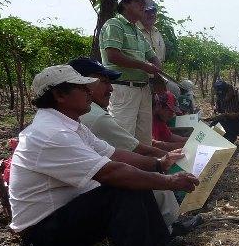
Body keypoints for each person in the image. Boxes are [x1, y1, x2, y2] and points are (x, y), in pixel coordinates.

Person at [8, 65, 199, 246]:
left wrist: (159, 164)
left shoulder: (72, 126)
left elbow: (116, 155)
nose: (90, 91)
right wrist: (169, 181)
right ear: (59, 95)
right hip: (43, 232)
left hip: (63, 214)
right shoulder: (52, 134)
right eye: (81, 87)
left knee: (129, 179)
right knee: (121, 188)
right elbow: (113, 171)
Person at [70, 57, 196, 231]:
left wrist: (161, 162)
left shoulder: (78, 120)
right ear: (79, 85)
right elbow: (138, 150)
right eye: (104, 82)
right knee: (145, 181)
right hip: (73, 204)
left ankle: (164, 234)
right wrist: (165, 172)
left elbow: (116, 152)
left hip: (79, 192)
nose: (111, 88)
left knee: (145, 175)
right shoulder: (96, 118)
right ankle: (171, 228)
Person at [100, 0, 162, 145]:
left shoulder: (137, 32)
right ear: (125, 4)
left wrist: (156, 68)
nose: (143, 6)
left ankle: (146, 167)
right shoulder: (114, 24)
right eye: (139, 2)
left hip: (143, 89)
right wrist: (144, 66)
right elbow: (113, 55)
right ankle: (124, 168)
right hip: (124, 88)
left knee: (144, 137)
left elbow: (152, 56)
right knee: (123, 136)